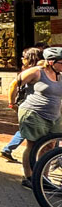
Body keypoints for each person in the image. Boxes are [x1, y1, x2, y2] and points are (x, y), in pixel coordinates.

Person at [15, 47, 62, 188]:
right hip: (34, 113)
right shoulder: (36, 72)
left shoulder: (60, 75)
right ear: (51, 62)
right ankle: (28, 176)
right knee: (33, 145)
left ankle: (44, 179)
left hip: (54, 115)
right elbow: (14, 84)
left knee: (50, 146)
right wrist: (12, 103)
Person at [1, 47, 44, 161]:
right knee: (28, 130)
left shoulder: (33, 70)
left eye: (24, 57)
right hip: (28, 105)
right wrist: (11, 103)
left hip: (28, 105)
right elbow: (13, 85)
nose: (21, 59)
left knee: (25, 129)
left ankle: (7, 149)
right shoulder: (32, 72)